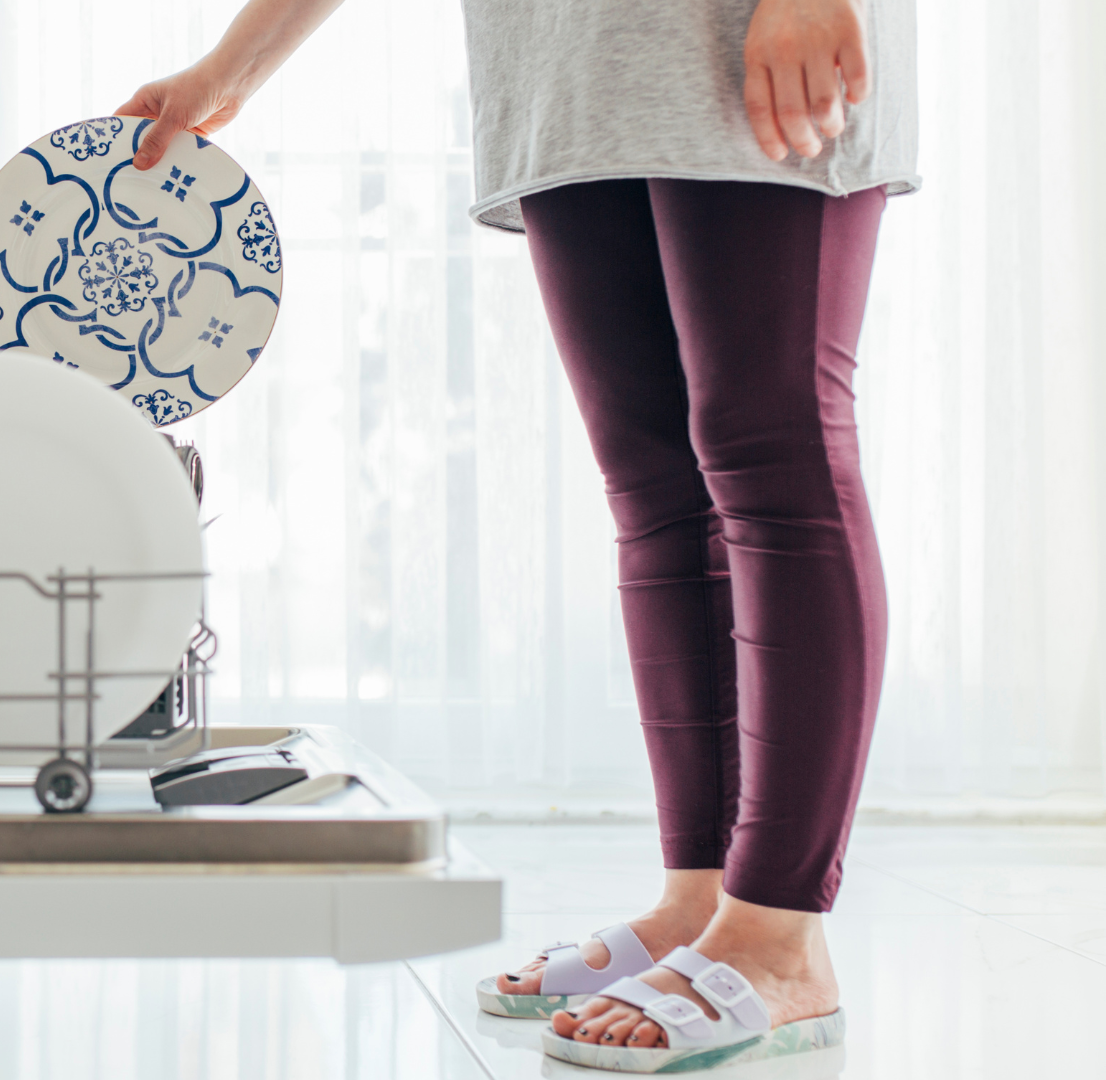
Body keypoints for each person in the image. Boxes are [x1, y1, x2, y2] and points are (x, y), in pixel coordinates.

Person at [117, 0, 917, 1069]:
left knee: (772, 456)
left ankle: (776, 939)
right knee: (655, 490)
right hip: (560, 60)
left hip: (736, 25)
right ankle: (698, 902)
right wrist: (233, 65)